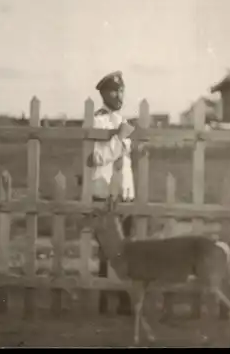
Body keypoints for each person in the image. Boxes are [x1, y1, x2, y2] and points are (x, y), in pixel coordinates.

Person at [86, 70, 135, 316]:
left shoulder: (120, 119)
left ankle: (125, 301)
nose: (119, 94)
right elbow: (96, 157)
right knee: (108, 249)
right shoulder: (98, 120)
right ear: (104, 94)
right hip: (105, 192)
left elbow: (123, 160)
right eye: (114, 90)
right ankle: (106, 302)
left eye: (122, 89)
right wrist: (121, 140)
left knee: (127, 248)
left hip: (123, 193)